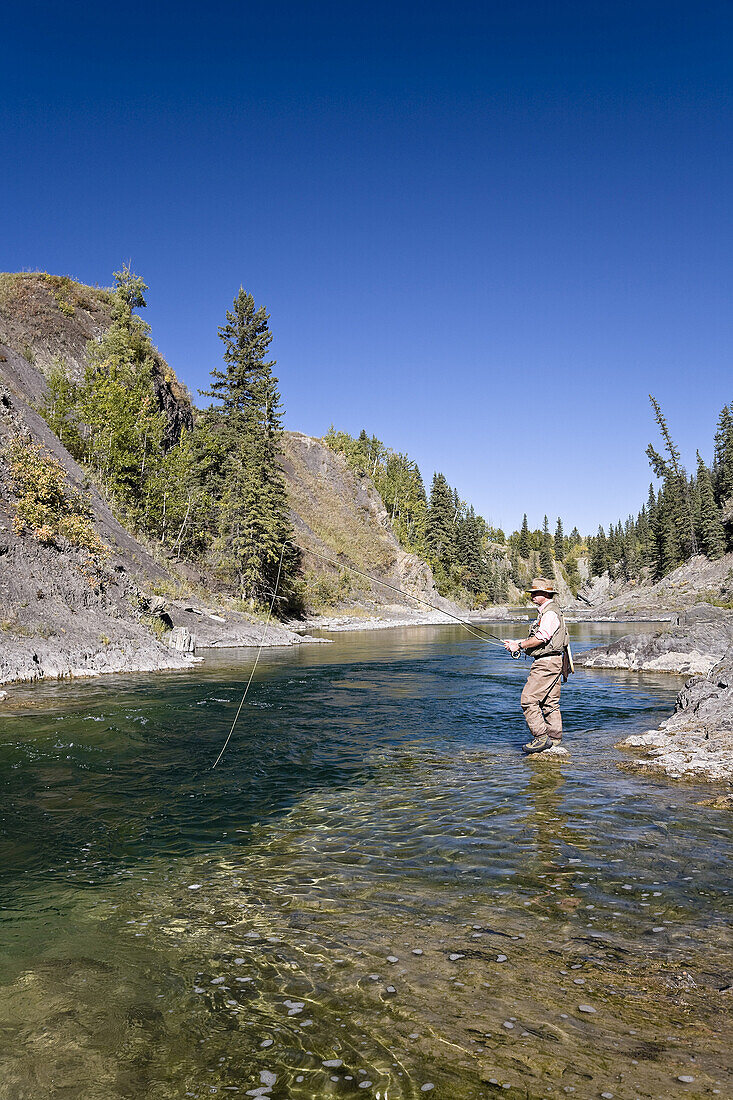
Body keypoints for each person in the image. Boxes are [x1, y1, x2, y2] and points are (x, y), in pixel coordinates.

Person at [504, 577, 570, 754]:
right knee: (550, 703)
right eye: (532, 592)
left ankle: (541, 738)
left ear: (545, 594)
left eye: (535, 593)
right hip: (555, 661)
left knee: (528, 699)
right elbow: (543, 637)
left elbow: (542, 638)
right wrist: (517, 642)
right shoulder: (550, 611)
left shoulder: (549, 613)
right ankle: (554, 739)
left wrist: (519, 646)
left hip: (547, 663)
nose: (532, 595)